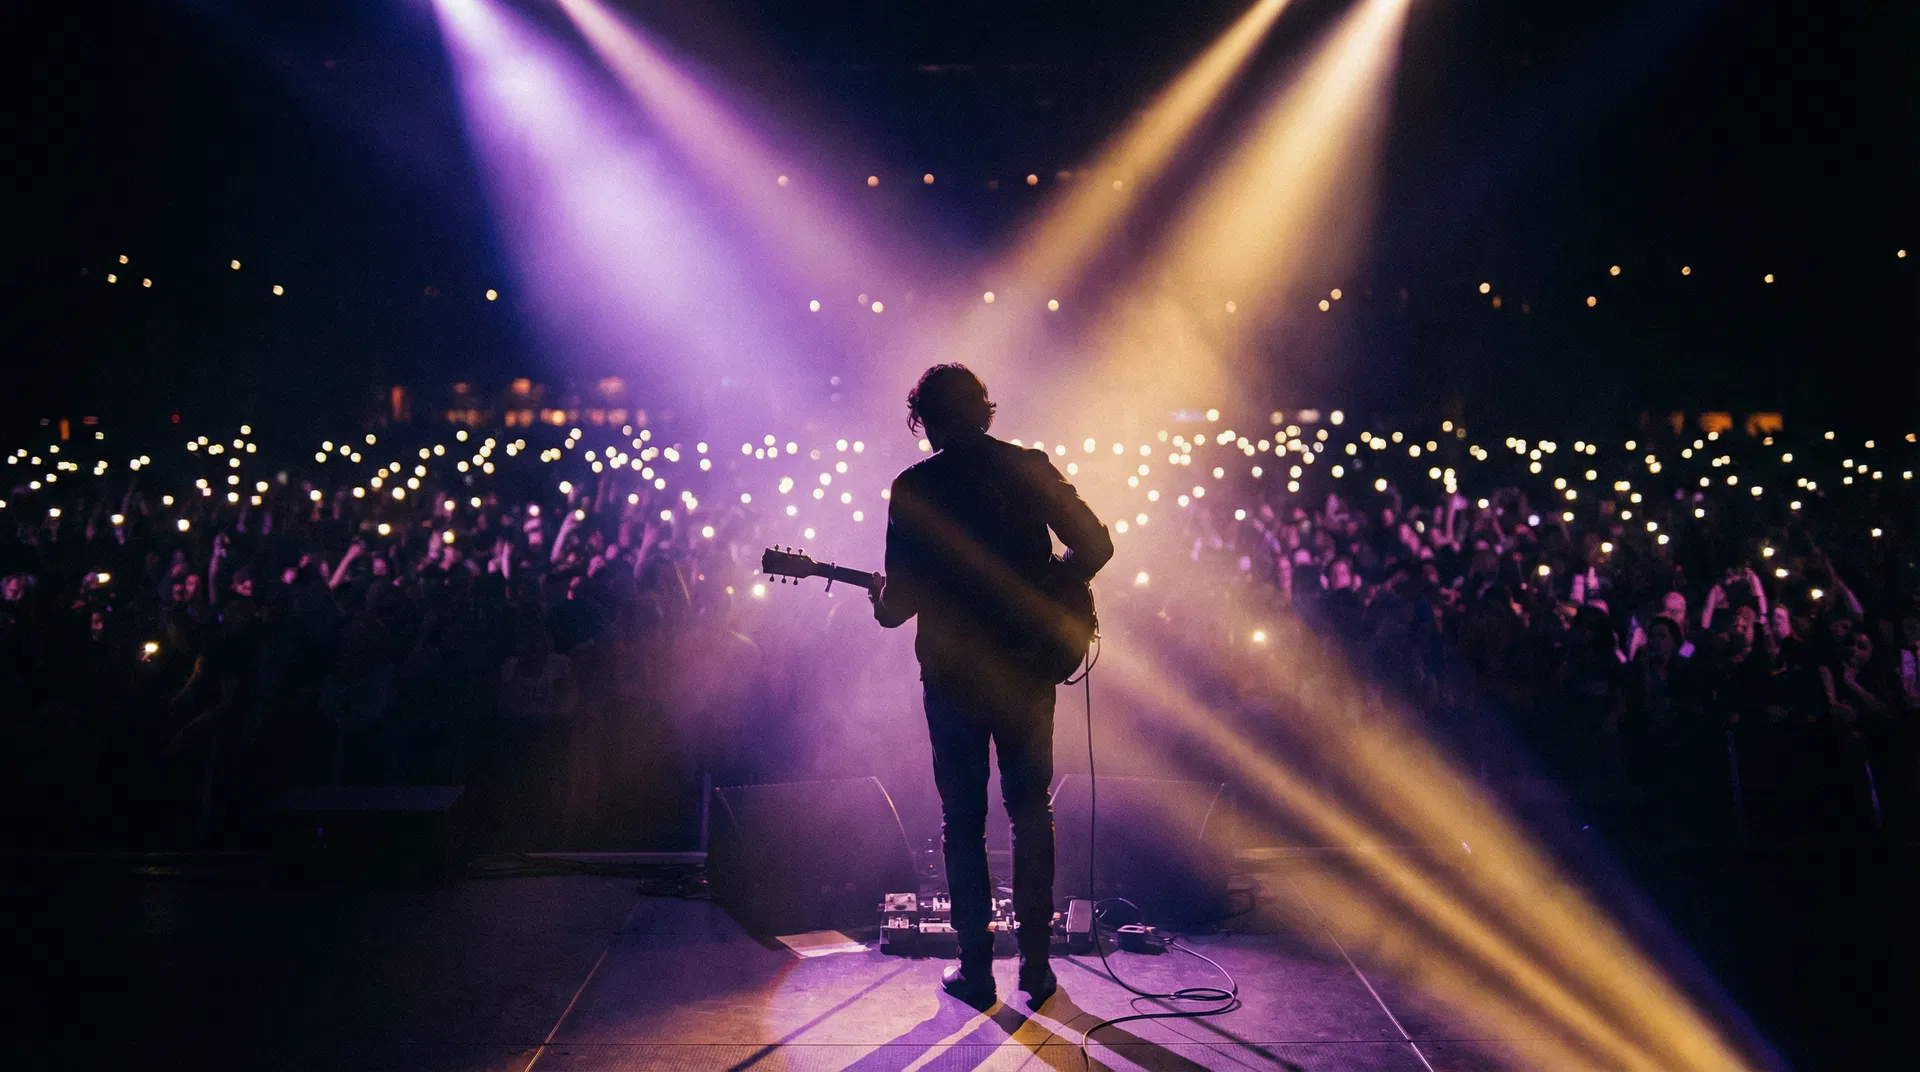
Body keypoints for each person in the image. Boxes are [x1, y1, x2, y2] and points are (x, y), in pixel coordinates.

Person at [871, 364, 1113, 1008]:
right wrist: (1052, 589)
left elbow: (897, 607)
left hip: (953, 674)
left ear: (925, 420)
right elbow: (1096, 543)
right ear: (984, 409)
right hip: (1029, 665)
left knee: (963, 820)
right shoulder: (1028, 467)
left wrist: (883, 599)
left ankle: (975, 969)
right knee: (1031, 809)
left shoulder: (915, 487)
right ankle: (1037, 968)